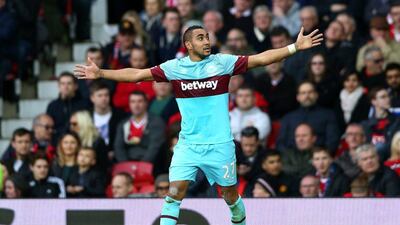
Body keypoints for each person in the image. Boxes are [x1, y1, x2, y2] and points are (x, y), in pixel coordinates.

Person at [74, 24, 322, 225]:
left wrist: (294, 47)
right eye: (201, 37)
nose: (207, 41)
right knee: (174, 192)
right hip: (188, 145)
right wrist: (102, 73)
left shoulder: (222, 63)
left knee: (230, 196)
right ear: (188, 44)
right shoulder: (175, 68)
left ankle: (239, 220)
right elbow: (138, 74)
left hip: (220, 145)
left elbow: (260, 59)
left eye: (208, 37)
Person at [277, 81, 340, 153]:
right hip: (293, 160)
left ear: (316, 95)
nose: (307, 96)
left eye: (310, 92)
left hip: (319, 159)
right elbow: (280, 143)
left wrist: (320, 157)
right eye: (303, 93)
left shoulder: (328, 115)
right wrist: (290, 158)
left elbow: (332, 142)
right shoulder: (288, 118)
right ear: (298, 97)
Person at [114, 91, 166, 163]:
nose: (136, 105)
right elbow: (118, 147)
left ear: (146, 103)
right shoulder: (123, 123)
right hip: (127, 165)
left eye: (140, 101)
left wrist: (141, 166)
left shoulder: (156, 122)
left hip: (150, 165)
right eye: (133, 102)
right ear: (129, 104)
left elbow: (154, 147)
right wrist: (125, 165)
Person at [46, 72, 88, 138]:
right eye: (62, 84)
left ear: (75, 86)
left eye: (69, 83)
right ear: (58, 86)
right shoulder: (52, 106)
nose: (66, 87)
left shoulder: (84, 104)